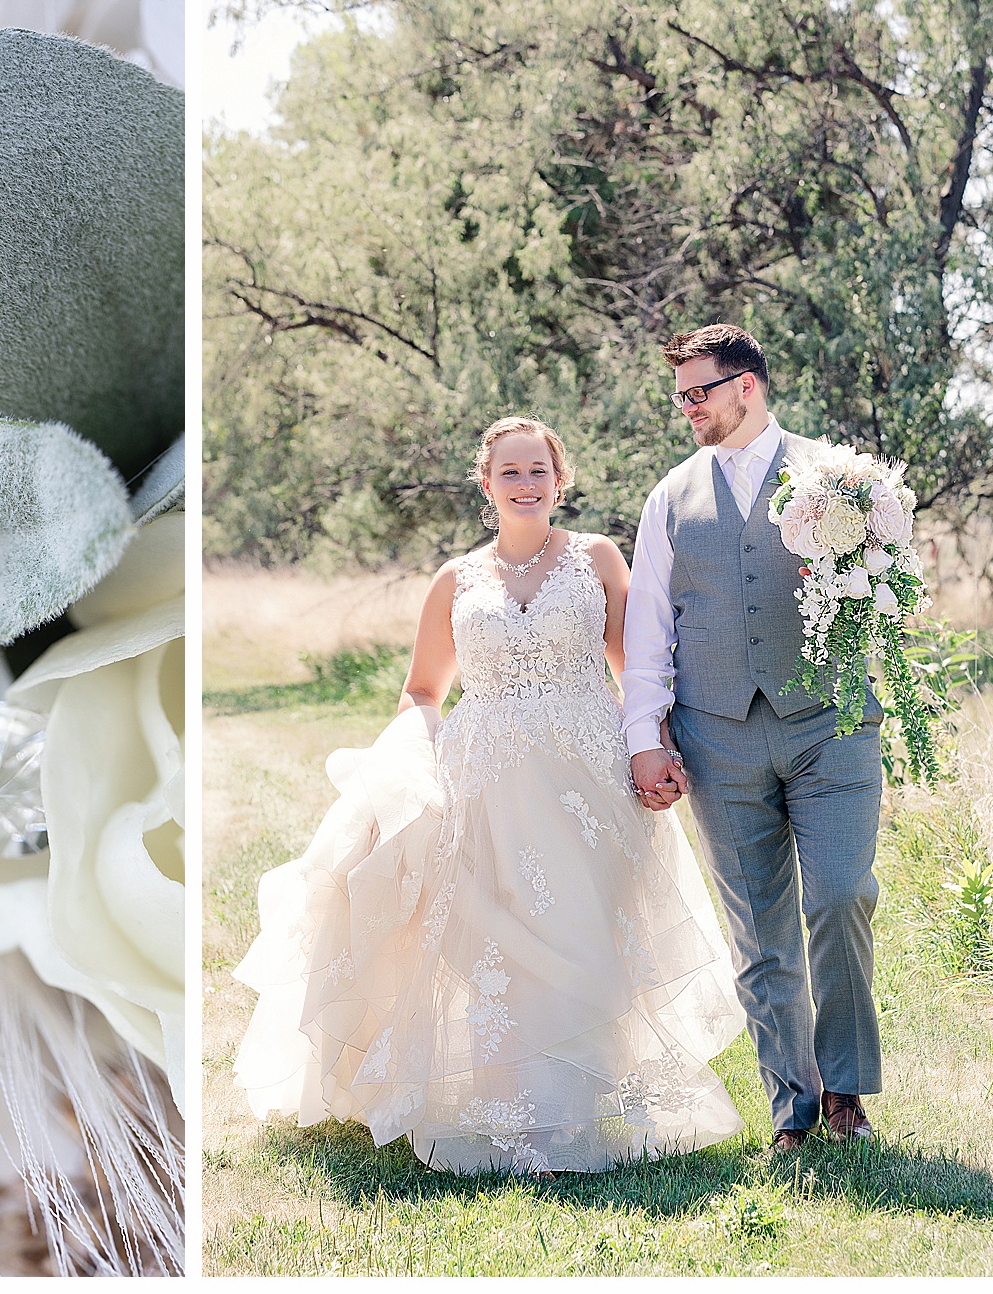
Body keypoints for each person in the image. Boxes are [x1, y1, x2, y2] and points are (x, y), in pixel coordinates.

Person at [233, 416, 746, 1176]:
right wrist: (405, 766)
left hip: (585, 777)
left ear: (559, 480)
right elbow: (422, 689)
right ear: (487, 483)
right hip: (485, 780)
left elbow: (640, 668)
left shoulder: (597, 559)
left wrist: (656, 745)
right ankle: (517, 1118)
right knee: (500, 944)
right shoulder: (455, 580)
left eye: (539, 470)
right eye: (511, 472)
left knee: (580, 934)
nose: (527, 484)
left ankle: (576, 1111)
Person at [623, 324, 883, 1155]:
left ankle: (845, 1087)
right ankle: (793, 1109)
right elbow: (648, 627)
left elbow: (885, 594)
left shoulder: (836, 479)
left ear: (748, 387)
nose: (688, 407)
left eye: (700, 390)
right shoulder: (669, 497)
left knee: (840, 896)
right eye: (681, 395)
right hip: (718, 735)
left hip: (829, 727)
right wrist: (645, 738)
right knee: (759, 934)